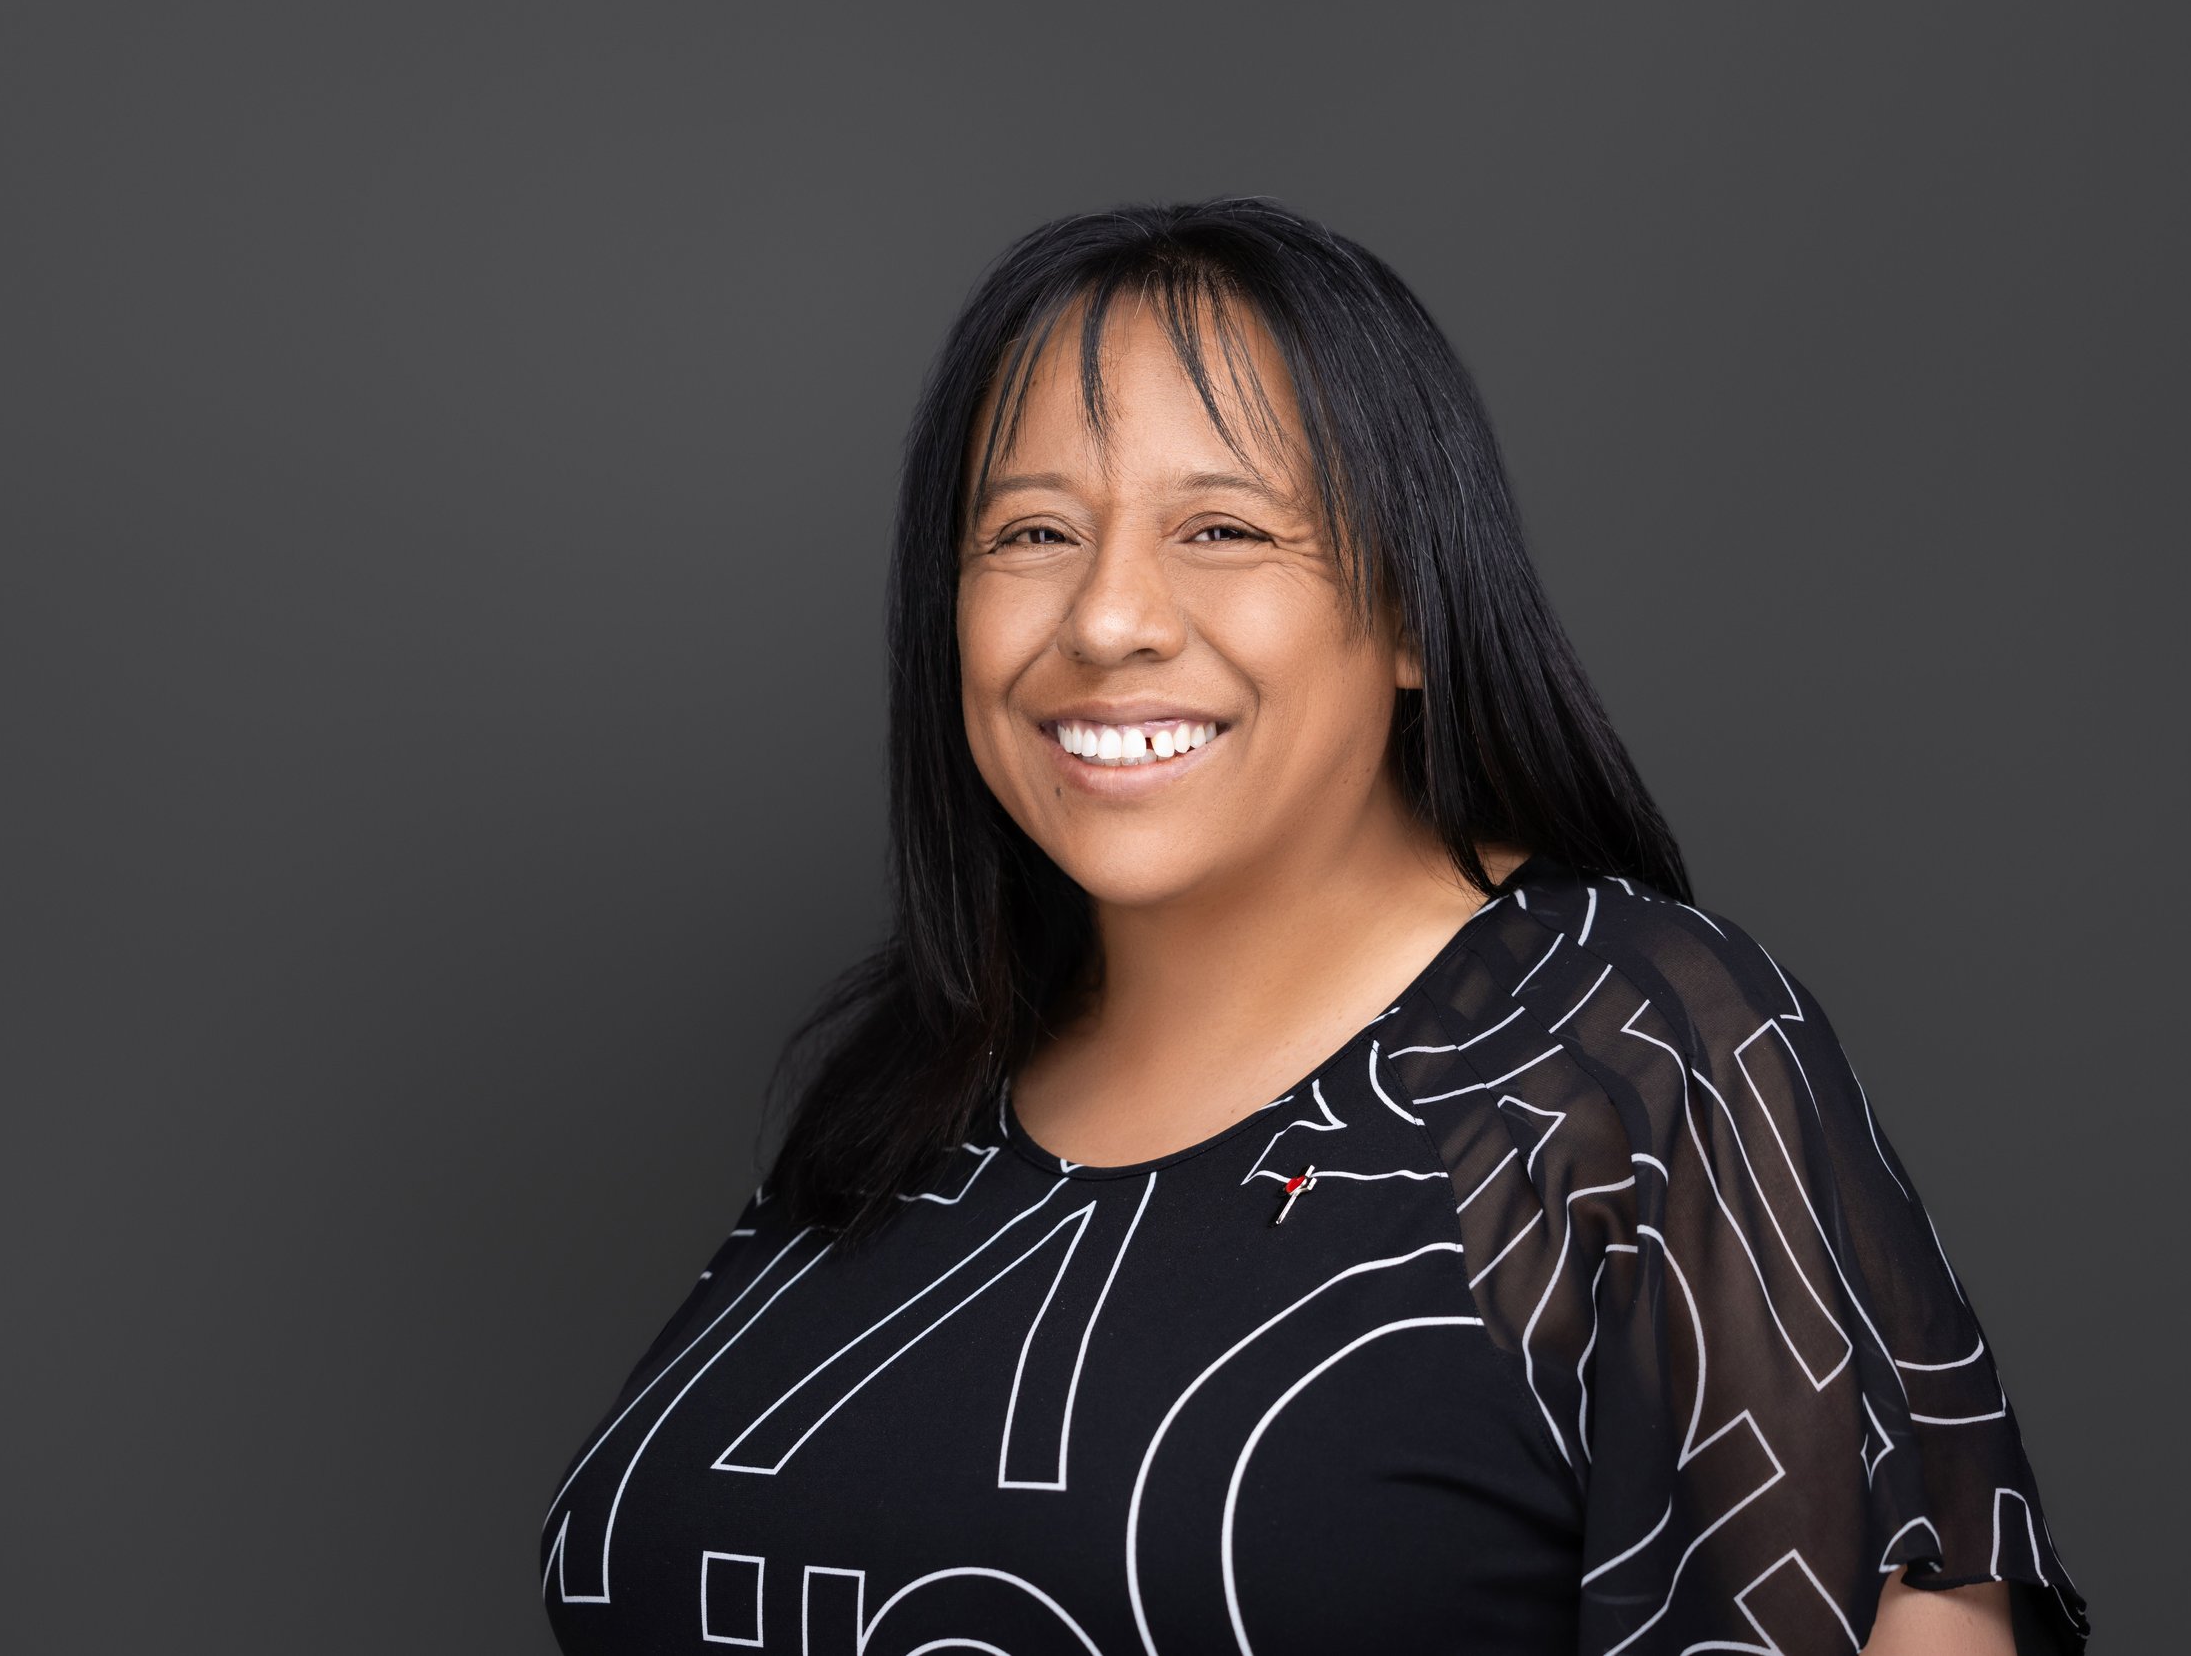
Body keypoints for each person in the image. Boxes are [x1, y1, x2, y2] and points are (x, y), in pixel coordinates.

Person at [539, 196, 2089, 1655]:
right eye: (1029, 534)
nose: (1105, 619)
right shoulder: (913, 1084)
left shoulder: (1621, 1064)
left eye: (1223, 529)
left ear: (1416, 610)